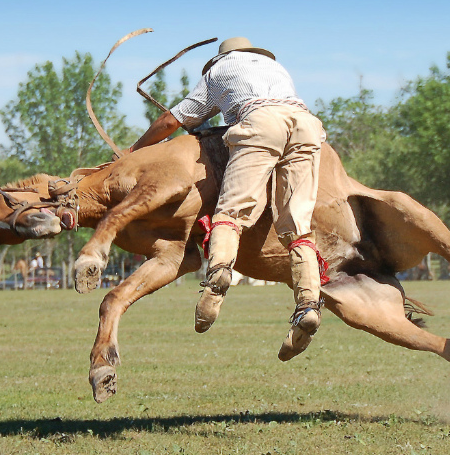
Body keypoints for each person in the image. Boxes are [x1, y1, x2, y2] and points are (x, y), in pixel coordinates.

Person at [129, 37, 326, 360]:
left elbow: (171, 121)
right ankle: (307, 304)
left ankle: (218, 276)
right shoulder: (276, 67)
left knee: (230, 214)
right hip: (307, 126)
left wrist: (134, 152)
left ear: (221, 58)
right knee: (297, 228)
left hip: (261, 122)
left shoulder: (219, 71)